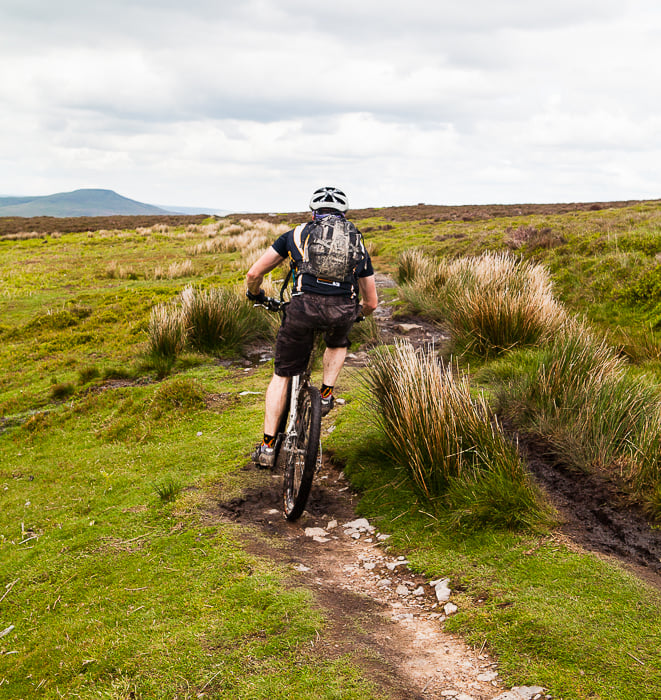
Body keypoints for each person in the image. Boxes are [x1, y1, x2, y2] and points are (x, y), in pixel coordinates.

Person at [246, 186, 378, 468]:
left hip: (302, 310)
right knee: (337, 341)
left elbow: (254, 273)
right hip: (342, 310)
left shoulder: (295, 234)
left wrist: (255, 293)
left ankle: (268, 447)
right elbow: (372, 302)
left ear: (312, 211)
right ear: (344, 213)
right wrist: (358, 315)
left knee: (282, 375)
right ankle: (327, 392)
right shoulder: (357, 240)